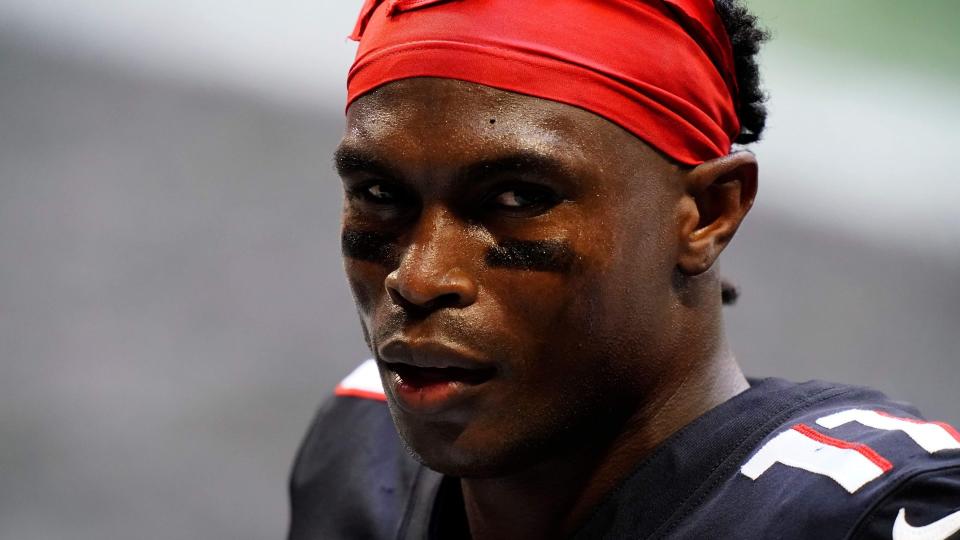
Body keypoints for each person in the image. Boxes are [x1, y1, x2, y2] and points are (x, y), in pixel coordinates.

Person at [288, 1, 960, 538]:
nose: (421, 277)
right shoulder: (366, 447)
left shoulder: (876, 516)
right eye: (379, 194)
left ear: (705, 213)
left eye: (520, 198)